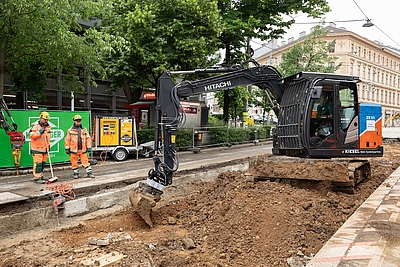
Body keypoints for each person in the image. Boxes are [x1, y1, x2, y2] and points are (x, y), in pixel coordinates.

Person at [64, 114, 95, 179]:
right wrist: (67, 148)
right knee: (74, 162)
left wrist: (89, 147)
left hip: (82, 149)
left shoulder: (84, 129)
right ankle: (76, 174)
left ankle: (89, 173)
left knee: (85, 162)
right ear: (74, 121)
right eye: (77, 120)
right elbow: (67, 139)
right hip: (73, 150)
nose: (78, 122)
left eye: (79, 120)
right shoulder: (70, 130)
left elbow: (88, 138)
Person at [29, 111, 51, 184]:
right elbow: (32, 136)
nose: (46, 121)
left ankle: (40, 176)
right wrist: (40, 131)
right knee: (38, 164)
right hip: (37, 149)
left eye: (47, 120)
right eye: (45, 120)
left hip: (44, 149)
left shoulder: (48, 127)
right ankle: (37, 177)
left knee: (42, 164)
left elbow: (48, 137)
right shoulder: (35, 126)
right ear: (41, 118)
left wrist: (48, 145)